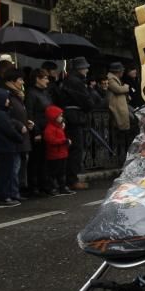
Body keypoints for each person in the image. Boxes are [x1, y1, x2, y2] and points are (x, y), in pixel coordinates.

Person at [58, 56, 98, 190]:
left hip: (71, 117)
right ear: (79, 68)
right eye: (85, 67)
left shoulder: (69, 80)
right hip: (74, 117)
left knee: (72, 149)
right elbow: (86, 102)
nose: (86, 70)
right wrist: (90, 95)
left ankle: (67, 179)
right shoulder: (76, 82)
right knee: (76, 149)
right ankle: (72, 180)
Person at [0, 87, 24, 208]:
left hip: (4, 147)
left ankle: (5, 195)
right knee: (5, 173)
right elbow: (9, 130)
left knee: (6, 172)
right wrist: (19, 137)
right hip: (5, 147)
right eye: (6, 99)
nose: (8, 101)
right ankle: (4, 197)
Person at [0, 68, 32, 196]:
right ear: (12, 81)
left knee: (19, 165)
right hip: (14, 136)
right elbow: (7, 116)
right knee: (14, 166)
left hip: (21, 134)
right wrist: (19, 125)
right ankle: (12, 192)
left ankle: (17, 189)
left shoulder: (17, 95)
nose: (22, 82)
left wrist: (27, 122)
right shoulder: (6, 95)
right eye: (20, 79)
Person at [24, 68, 54, 196]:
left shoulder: (45, 93)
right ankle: (34, 186)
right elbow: (30, 113)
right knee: (36, 159)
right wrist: (36, 132)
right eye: (45, 78)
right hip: (37, 130)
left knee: (44, 159)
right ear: (37, 79)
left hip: (47, 129)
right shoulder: (31, 93)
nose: (47, 80)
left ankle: (44, 185)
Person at [43, 105, 73, 196]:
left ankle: (62, 187)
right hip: (55, 154)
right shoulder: (50, 128)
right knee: (54, 172)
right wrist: (64, 141)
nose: (61, 118)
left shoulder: (59, 127)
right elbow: (51, 140)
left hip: (62, 153)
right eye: (60, 116)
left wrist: (66, 142)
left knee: (62, 172)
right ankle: (52, 188)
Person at [106, 61, 131, 169]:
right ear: (118, 71)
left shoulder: (114, 79)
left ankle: (122, 158)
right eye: (122, 70)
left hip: (121, 110)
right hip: (117, 111)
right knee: (119, 137)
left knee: (123, 136)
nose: (123, 72)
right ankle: (118, 159)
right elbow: (118, 89)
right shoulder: (111, 79)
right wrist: (126, 87)